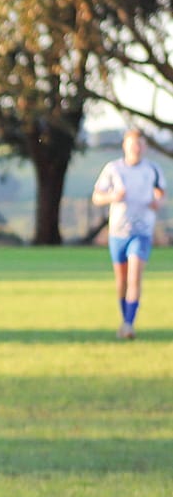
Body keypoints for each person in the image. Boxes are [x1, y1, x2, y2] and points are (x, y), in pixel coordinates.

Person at [91, 128, 165, 341]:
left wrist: (157, 202)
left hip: (142, 231)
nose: (137, 148)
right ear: (125, 146)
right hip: (118, 231)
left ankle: (129, 324)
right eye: (133, 144)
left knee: (135, 277)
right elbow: (97, 196)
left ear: (145, 147)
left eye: (141, 144)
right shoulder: (113, 169)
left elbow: (161, 194)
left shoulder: (152, 170)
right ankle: (125, 320)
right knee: (121, 281)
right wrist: (113, 196)